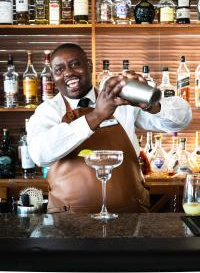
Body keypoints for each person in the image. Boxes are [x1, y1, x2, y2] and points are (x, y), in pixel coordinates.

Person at [27, 43, 192, 214]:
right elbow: (40, 154)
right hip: (67, 223)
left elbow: (182, 119)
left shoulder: (120, 99)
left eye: (75, 64)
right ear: (53, 76)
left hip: (130, 217)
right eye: (59, 69)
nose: (68, 72)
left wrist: (152, 105)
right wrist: (97, 115)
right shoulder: (48, 111)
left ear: (89, 65)